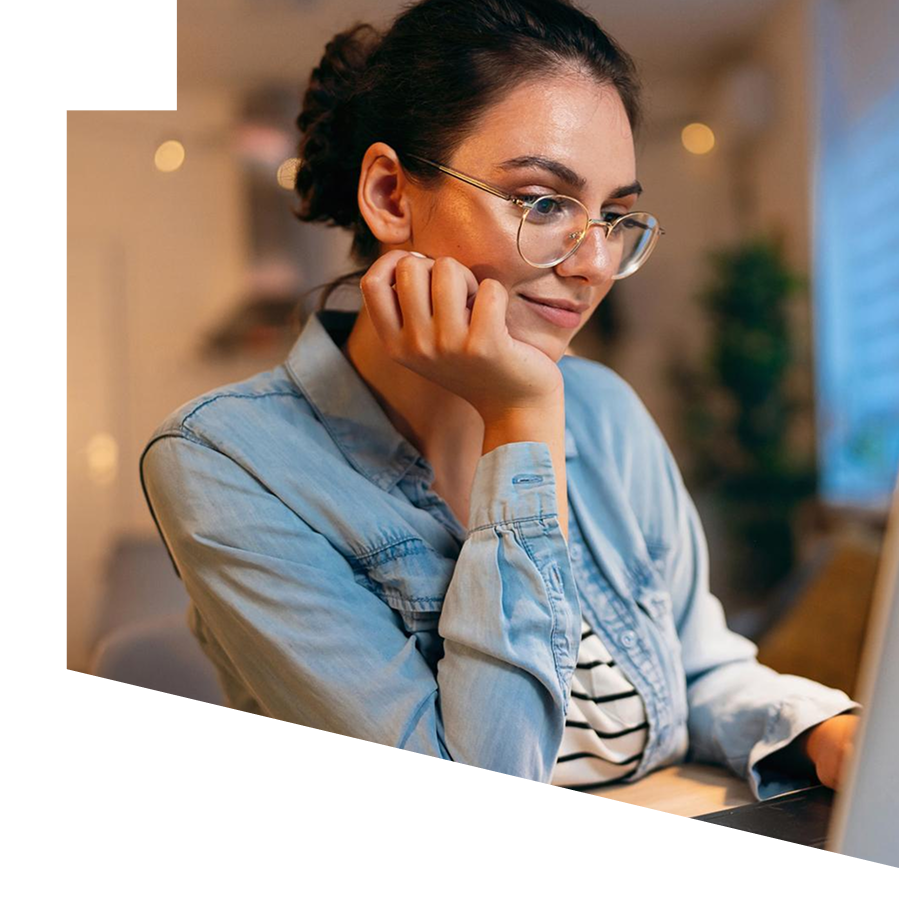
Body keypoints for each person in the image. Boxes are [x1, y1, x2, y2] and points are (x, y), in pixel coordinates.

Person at [140, 0, 860, 799]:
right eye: (544, 202)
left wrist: (828, 734)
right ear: (390, 194)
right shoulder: (228, 463)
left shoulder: (604, 410)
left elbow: (697, 667)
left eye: (614, 216)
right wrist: (519, 423)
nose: (593, 263)